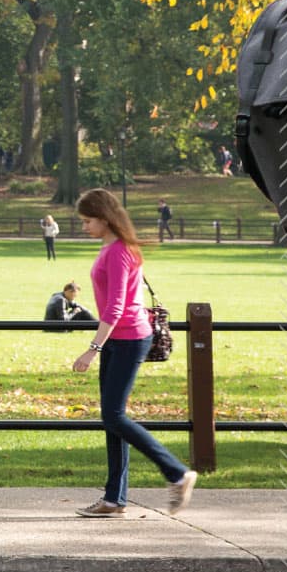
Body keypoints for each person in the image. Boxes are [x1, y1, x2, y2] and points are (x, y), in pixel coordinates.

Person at [66, 188, 195, 518]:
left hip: (127, 337)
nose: (85, 226)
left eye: (88, 220)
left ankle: (177, 472)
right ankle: (114, 499)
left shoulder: (120, 251)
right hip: (115, 339)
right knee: (113, 420)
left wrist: (92, 349)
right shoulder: (109, 246)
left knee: (113, 416)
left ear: (105, 219)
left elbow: (117, 305)